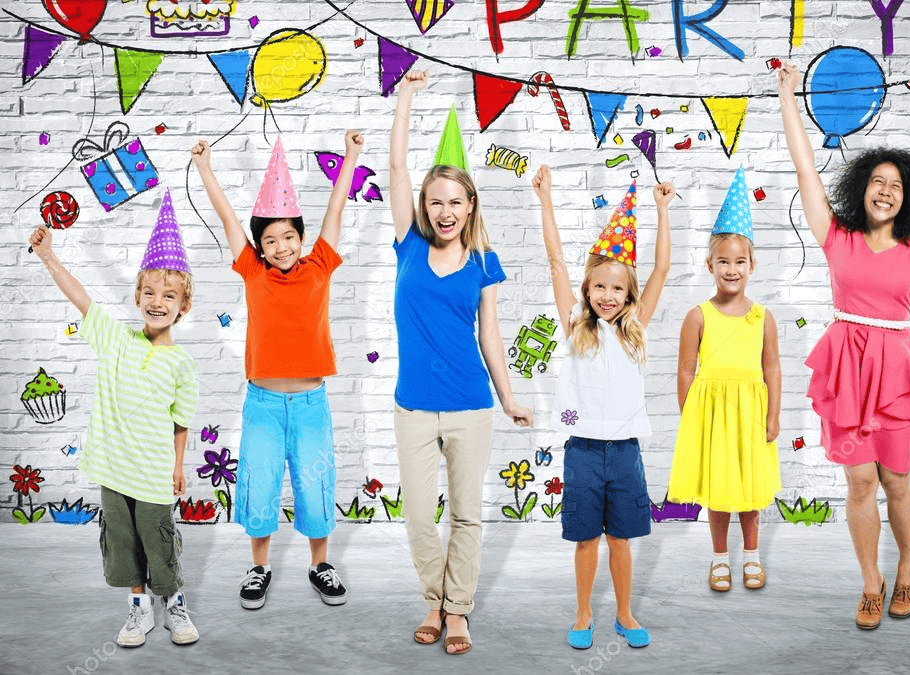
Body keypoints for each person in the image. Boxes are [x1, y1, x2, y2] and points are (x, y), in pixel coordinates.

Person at [778, 61, 910, 629]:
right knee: (859, 481)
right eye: (877, 182)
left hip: (894, 369)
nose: (886, 191)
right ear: (862, 188)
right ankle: (871, 581)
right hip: (846, 366)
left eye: (896, 185)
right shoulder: (836, 237)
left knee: (895, 480)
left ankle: (908, 566)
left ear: (905, 198)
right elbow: (804, 168)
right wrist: (789, 95)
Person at [388, 69, 532, 655]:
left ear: (471, 205)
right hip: (414, 407)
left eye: (456, 201)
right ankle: (433, 599)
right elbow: (396, 170)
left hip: (470, 405)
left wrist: (509, 397)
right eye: (435, 201)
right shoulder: (409, 245)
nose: (445, 211)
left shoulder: (483, 260)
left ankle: (458, 614)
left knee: (466, 516)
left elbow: (491, 336)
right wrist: (405, 99)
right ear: (425, 205)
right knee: (422, 517)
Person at [191, 130, 364, 610]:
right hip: (263, 404)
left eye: (290, 236)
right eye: (272, 239)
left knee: (315, 482)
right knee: (260, 480)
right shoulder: (253, 271)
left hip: (311, 404)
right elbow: (228, 218)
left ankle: (320, 565)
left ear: (301, 238)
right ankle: (259, 568)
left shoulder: (320, 265)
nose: (283, 246)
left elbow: (336, 211)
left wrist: (350, 156)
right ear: (260, 247)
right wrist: (205, 168)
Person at [28, 191, 200, 647]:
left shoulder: (182, 364)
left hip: (152, 473)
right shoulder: (117, 340)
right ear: (137, 296)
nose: (157, 301)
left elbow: (182, 421)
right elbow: (82, 298)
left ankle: (174, 603)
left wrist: (179, 465)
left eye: (169, 295)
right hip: (113, 469)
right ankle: (138, 609)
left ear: (183, 306)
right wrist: (49, 257)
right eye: (149, 292)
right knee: (122, 543)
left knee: (159, 541)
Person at [532, 162, 674, 650]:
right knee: (586, 538)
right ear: (588, 291)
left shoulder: (637, 329)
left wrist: (661, 211)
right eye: (599, 287)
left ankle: (626, 612)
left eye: (617, 288)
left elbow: (661, 269)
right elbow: (555, 264)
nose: (608, 295)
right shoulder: (576, 326)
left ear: (628, 293)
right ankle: (583, 611)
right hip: (584, 449)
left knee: (621, 540)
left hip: (627, 451)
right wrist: (546, 199)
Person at [666, 167, 782, 593]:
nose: (731, 269)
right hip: (712, 415)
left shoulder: (762, 317)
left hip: (750, 413)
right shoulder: (698, 315)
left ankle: (751, 556)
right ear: (709, 263)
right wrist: (690, 414)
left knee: (749, 490)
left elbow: (772, 369)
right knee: (719, 490)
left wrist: (773, 416)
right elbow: (685, 369)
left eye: (739, 261)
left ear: (752, 264)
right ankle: (719, 558)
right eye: (723, 261)